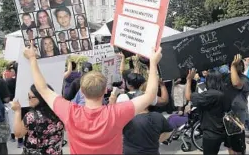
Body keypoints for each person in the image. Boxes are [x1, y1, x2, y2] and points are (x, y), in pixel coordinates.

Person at [23, 43, 162, 154]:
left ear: (82, 91)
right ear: (104, 91)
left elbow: (43, 89)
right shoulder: (116, 113)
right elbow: (150, 95)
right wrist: (153, 63)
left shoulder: (70, 111)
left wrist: (32, 59)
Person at [110, 83, 173, 154]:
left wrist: (112, 104)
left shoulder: (127, 119)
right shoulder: (158, 117)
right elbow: (169, 131)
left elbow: (111, 126)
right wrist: (157, 141)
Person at [12, 85, 64, 154]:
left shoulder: (31, 116)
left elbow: (18, 134)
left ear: (40, 98)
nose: (28, 99)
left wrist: (17, 111)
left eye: (30, 97)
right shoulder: (60, 112)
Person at [185, 69, 228, 155]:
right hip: (219, 130)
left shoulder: (211, 95)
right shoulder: (222, 92)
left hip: (211, 132)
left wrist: (189, 80)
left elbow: (188, 96)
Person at [222, 54, 249, 154]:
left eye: (239, 64)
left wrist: (233, 66)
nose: (237, 66)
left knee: (238, 143)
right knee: (229, 143)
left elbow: (236, 84)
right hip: (227, 114)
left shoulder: (244, 79)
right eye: (234, 65)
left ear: (242, 66)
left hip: (238, 115)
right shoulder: (226, 78)